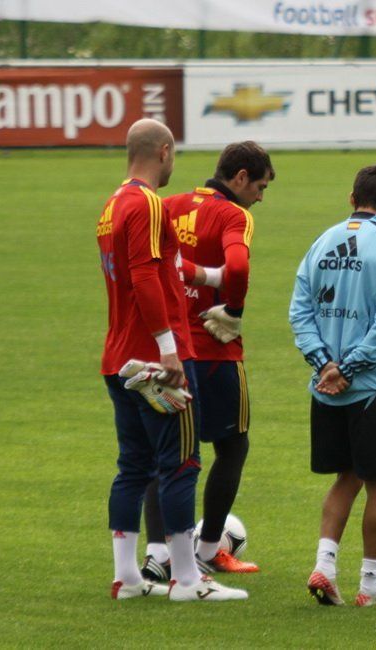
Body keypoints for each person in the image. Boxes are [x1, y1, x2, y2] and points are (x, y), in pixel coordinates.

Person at [97, 118, 246, 601]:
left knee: (133, 467)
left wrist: (217, 278)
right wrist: (168, 348)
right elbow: (145, 277)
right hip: (155, 359)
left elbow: (168, 267)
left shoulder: (113, 204)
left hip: (118, 355)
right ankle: (186, 579)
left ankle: (127, 577)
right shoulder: (148, 204)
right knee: (181, 463)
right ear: (164, 151)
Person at [139, 142, 274, 582]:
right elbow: (238, 265)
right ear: (240, 177)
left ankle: (158, 554)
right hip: (215, 351)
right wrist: (233, 310)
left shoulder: (169, 205)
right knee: (233, 446)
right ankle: (210, 549)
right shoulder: (234, 215)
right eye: (260, 186)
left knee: (167, 451)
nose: (260, 197)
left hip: (169, 348)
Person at [289, 163, 376, 607]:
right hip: (371, 386)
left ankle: (324, 567)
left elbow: (299, 311)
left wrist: (324, 365)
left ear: (352, 198)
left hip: (325, 387)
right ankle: (370, 586)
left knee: (347, 477)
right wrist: (349, 368)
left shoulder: (321, 241)